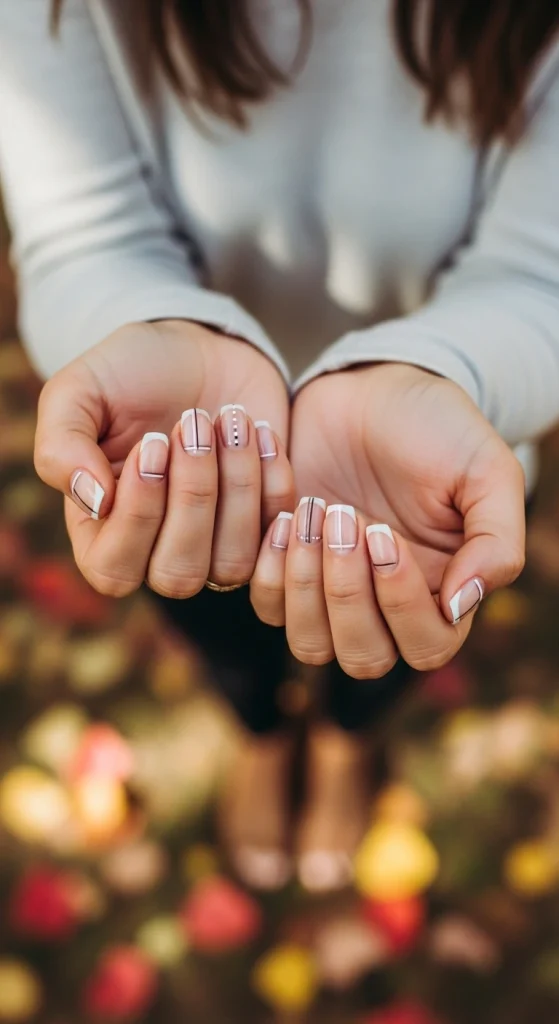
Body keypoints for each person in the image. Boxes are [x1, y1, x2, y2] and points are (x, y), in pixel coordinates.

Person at [1, 0, 558, 893]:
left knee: (385, 629)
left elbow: (542, 271)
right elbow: (83, 234)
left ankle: (345, 741)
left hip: (434, 458)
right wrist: (156, 330)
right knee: (220, 620)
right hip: (186, 462)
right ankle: (261, 732)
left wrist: (442, 372)